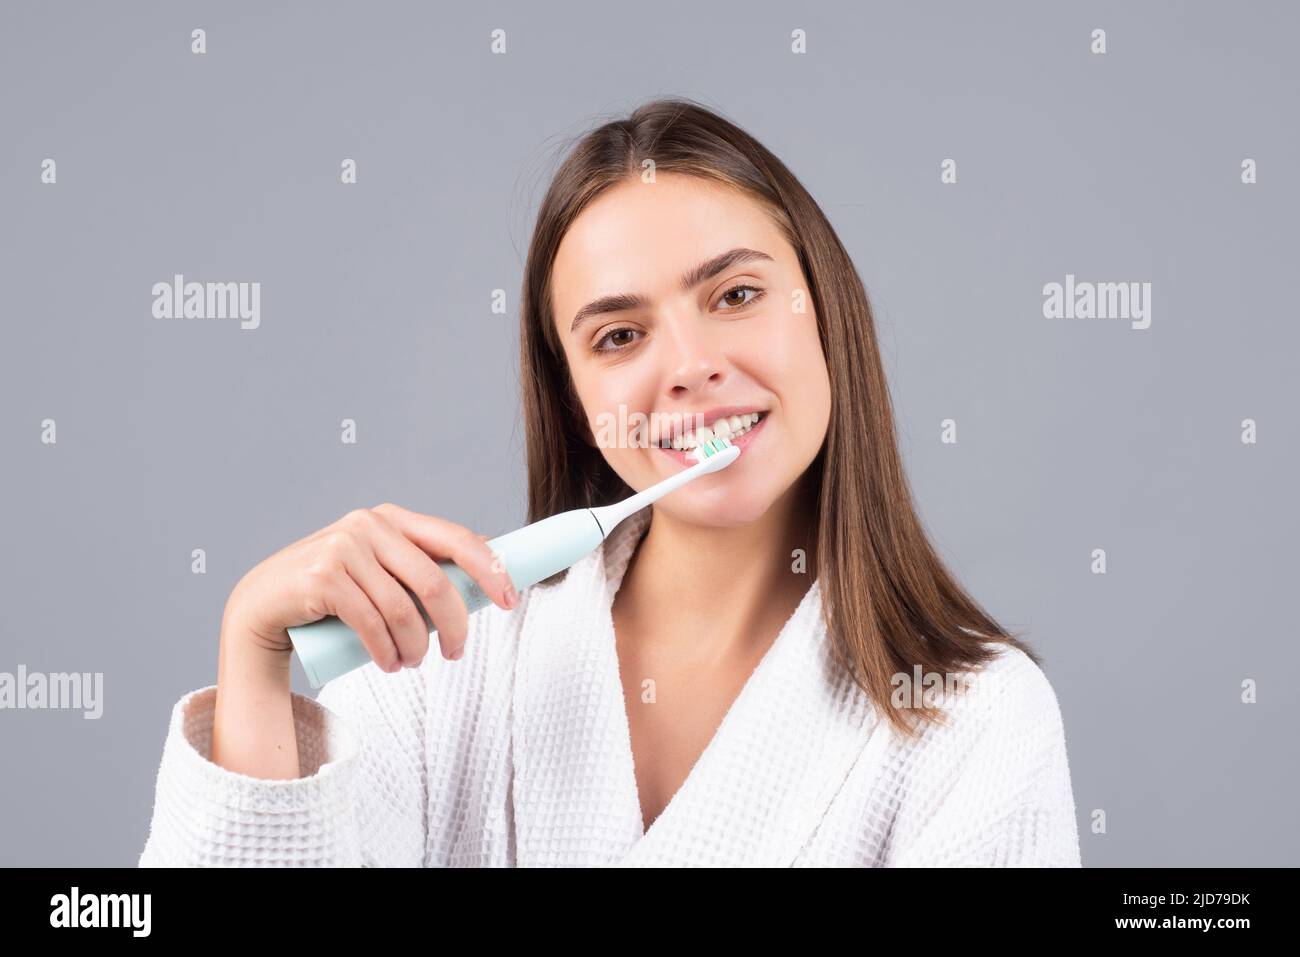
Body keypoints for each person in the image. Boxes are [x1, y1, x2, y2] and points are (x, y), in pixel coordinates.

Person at [138, 97, 1082, 867]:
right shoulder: (436, 664)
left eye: (736, 295)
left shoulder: (978, 720)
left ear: (826, 312)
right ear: (577, 395)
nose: (689, 365)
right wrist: (254, 661)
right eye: (619, 336)